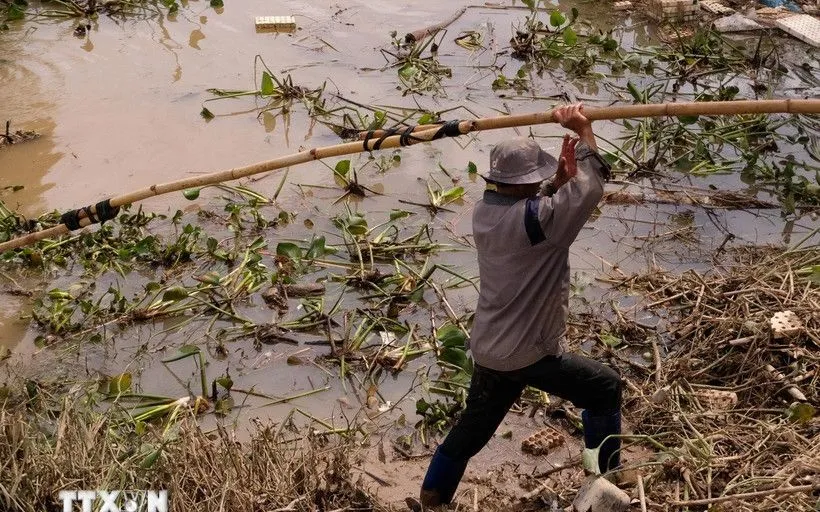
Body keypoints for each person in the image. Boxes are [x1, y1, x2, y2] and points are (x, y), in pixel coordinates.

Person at [419, 103, 622, 507]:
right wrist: (584, 131)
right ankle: (605, 478)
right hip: (527, 351)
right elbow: (590, 190)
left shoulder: (483, 214)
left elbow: (531, 211)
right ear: (528, 183)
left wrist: (555, 184)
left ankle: (432, 496)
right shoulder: (541, 223)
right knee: (604, 387)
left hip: (491, 347)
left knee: (472, 431)